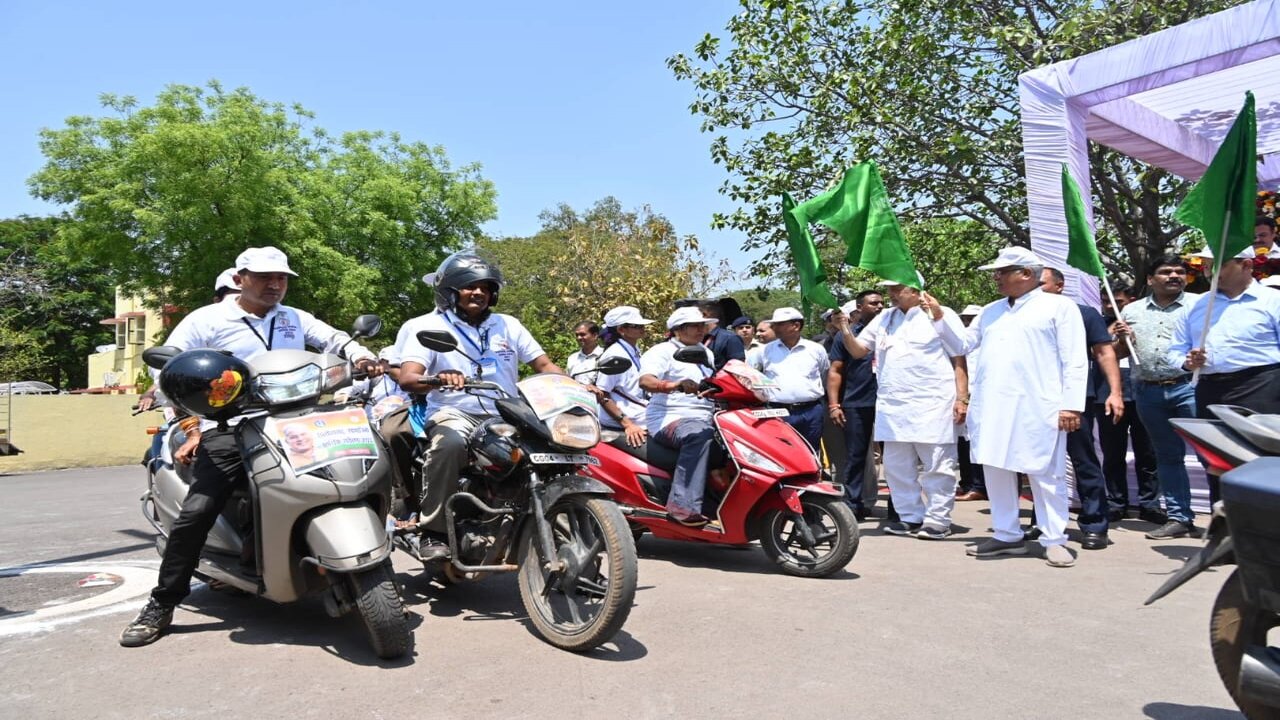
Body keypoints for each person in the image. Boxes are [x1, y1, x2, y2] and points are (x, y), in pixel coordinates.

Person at [120, 246, 380, 647]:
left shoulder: (294, 317)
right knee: (199, 509)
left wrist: (361, 356)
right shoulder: (207, 319)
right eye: (264, 277)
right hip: (230, 423)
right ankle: (163, 602)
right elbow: (168, 367)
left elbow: (334, 339)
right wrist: (184, 406)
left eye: (281, 278)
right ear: (240, 279)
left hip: (297, 420)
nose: (275, 285)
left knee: (357, 469)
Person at [389, 252, 562, 558]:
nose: (479, 292)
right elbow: (408, 377)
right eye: (470, 286)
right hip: (454, 413)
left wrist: (576, 387)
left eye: (486, 287)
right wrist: (439, 379)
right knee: (449, 445)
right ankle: (433, 531)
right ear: (450, 291)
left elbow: (544, 365)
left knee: (549, 450)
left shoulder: (507, 325)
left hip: (506, 413)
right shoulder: (426, 326)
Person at [926, 246, 1087, 568]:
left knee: (1046, 473)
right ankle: (1007, 533)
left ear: (1026, 274)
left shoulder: (1059, 307)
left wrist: (1071, 406)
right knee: (996, 467)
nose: (996, 278)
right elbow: (962, 345)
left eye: (1002, 272)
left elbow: (1075, 359)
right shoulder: (991, 310)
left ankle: (1054, 538)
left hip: (1039, 405)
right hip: (993, 405)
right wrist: (940, 316)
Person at [838, 274, 965, 540]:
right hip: (893, 406)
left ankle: (938, 520)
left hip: (933, 403)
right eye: (890, 289)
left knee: (937, 465)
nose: (892, 294)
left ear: (915, 290)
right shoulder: (885, 318)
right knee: (897, 467)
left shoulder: (939, 314)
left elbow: (959, 356)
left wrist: (961, 398)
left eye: (897, 289)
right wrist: (845, 329)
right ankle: (910, 516)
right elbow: (859, 351)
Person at [1170, 245, 1280, 503]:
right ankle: (1224, 522)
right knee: (1217, 463)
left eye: (1219, 264)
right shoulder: (1196, 306)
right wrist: (1188, 362)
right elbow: (1175, 351)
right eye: (1207, 265)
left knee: (1264, 462)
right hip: (1211, 391)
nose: (1210, 272)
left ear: (1246, 265)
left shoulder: (1273, 301)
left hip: (1262, 389)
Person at [1112, 255, 1203, 539]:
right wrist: (1121, 338)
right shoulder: (1132, 311)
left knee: (1209, 455)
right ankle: (1179, 518)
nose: (1174, 276)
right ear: (1151, 279)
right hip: (1148, 391)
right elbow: (1117, 353)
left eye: (1179, 271)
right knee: (1167, 456)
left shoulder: (1201, 305)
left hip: (1190, 387)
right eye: (1166, 272)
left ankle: (1228, 521)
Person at [1038, 266, 1123, 551]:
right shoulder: (1023, 315)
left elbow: (1104, 353)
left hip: (1075, 401)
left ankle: (1095, 523)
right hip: (1036, 400)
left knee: (1083, 460)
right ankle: (1044, 521)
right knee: (1039, 463)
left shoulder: (1084, 314)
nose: (1036, 290)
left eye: (1042, 284)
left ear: (1060, 286)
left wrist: (1115, 392)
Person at [638, 306, 718, 527]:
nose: (701, 329)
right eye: (695, 326)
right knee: (698, 435)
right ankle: (682, 507)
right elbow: (646, 381)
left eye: (702, 325)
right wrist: (674, 385)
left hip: (707, 417)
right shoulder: (662, 351)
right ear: (678, 329)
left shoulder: (706, 353)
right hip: (670, 418)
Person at [1097, 284, 1160, 524]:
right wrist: (1111, 333)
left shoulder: (1145, 320)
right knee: (1113, 453)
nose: (1110, 306)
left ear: (1131, 301)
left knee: (1148, 453)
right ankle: (1116, 503)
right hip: (1108, 396)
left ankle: (1150, 505)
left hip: (1143, 392)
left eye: (1117, 302)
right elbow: (1098, 354)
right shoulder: (1098, 324)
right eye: (1105, 301)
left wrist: (1132, 334)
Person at [826, 291, 882, 519]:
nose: (879, 306)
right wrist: (834, 405)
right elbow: (835, 371)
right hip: (857, 402)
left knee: (897, 459)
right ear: (859, 308)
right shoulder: (845, 336)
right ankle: (853, 505)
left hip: (890, 403)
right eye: (873, 303)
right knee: (855, 456)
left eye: (882, 302)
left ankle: (900, 508)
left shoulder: (893, 331)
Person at [754, 307, 830, 451]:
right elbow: (755, 377)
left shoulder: (816, 349)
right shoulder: (764, 350)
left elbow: (824, 374)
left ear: (796, 325)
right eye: (773, 324)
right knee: (781, 452)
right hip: (777, 411)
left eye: (779, 324)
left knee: (811, 451)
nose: (774, 327)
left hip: (811, 412)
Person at [595, 306, 653, 448]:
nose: (642, 328)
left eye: (642, 325)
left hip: (643, 417)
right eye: (636, 326)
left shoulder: (633, 349)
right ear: (621, 330)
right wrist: (628, 424)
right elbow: (602, 394)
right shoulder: (615, 354)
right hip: (627, 423)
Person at [954, 304, 987, 502]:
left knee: (977, 443)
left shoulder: (986, 341)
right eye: (965, 318)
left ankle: (979, 486)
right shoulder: (962, 342)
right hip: (963, 397)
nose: (967, 322)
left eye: (971, 318)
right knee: (963, 443)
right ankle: (967, 483)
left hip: (980, 396)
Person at [697, 299, 746, 369]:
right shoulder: (698, 338)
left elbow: (738, 369)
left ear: (705, 314)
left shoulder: (730, 339)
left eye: (696, 314)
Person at [566, 321, 603, 386]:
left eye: (582, 334)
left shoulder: (605, 355)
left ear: (595, 335)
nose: (579, 338)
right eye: (577, 335)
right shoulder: (572, 358)